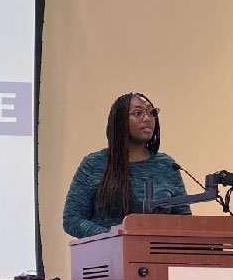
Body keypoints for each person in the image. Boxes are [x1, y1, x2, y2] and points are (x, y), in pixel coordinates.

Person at [62, 92, 191, 239]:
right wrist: (116, 237)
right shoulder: (93, 164)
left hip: (158, 256)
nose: (147, 118)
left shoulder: (167, 165)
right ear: (120, 120)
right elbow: (72, 219)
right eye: (138, 113)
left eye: (151, 112)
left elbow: (184, 221)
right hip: (107, 256)